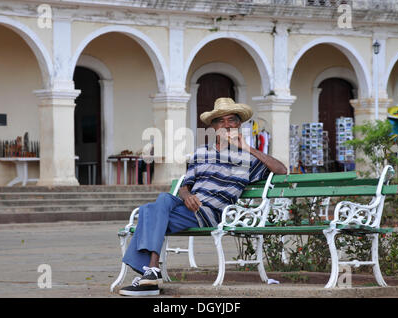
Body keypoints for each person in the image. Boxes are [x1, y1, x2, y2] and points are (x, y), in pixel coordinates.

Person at [119, 97, 287, 296]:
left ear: (239, 124)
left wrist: (248, 148)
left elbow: (282, 170)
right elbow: (184, 186)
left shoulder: (249, 159)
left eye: (231, 120)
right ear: (214, 127)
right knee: (160, 201)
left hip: (213, 213)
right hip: (189, 207)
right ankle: (151, 274)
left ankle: (150, 272)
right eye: (220, 121)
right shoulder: (201, 153)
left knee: (149, 211)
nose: (226, 125)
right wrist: (187, 195)